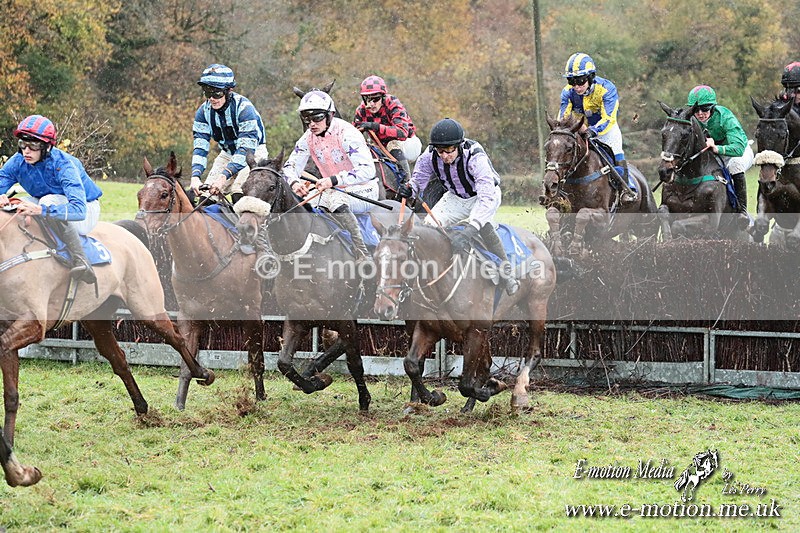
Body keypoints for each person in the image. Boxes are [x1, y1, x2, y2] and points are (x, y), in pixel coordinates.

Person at [397, 118, 519, 295]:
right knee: (427, 227)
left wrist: (470, 229)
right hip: (455, 197)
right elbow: (418, 180)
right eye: (441, 152)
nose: (445, 156)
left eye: (449, 151)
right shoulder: (429, 155)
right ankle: (427, 273)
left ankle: (507, 274)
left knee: (482, 226)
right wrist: (410, 189)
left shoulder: (476, 157)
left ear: (459, 146)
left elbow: (486, 198)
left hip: (484, 196)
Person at [0, 114, 103, 283]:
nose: (26, 151)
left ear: (46, 147)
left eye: (33, 145)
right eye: (23, 144)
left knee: (47, 201)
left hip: (85, 208)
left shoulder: (64, 165)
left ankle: (81, 260)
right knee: (15, 205)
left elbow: (79, 210)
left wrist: (41, 210)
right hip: (48, 201)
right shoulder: (18, 161)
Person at [282, 90, 378, 264]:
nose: (311, 124)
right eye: (306, 119)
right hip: (332, 189)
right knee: (304, 204)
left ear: (330, 115)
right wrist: (295, 183)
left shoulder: (348, 134)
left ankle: (362, 253)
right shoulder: (308, 138)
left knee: (336, 200)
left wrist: (334, 180)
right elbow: (289, 166)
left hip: (364, 189)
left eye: (317, 118)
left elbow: (367, 170)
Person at [558, 52, 637, 206]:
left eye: (580, 80)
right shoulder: (568, 92)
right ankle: (555, 190)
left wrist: (593, 130)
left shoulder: (606, 89)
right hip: (580, 128)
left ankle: (627, 189)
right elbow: (564, 117)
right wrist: (575, 129)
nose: (576, 86)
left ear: (590, 77)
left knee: (615, 152)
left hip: (606, 130)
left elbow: (609, 118)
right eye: (572, 81)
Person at [191, 63, 268, 204]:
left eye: (217, 93)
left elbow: (246, 150)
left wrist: (223, 177)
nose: (212, 99)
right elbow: (200, 148)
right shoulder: (202, 112)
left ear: (229, 91)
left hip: (254, 153)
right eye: (208, 93)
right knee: (205, 199)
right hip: (227, 154)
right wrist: (195, 176)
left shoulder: (245, 109)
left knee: (238, 191)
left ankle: (244, 225)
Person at [686, 85, 754, 221]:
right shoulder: (691, 120)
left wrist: (718, 148)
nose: (700, 113)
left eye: (704, 109)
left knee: (735, 166)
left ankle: (742, 211)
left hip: (738, 152)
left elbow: (738, 149)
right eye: (695, 110)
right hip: (713, 155)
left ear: (712, 107)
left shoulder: (725, 117)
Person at [353, 75, 421, 181]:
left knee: (392, 144)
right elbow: (352, 136)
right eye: (367, 99)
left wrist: (375, 126)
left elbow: (402, 133)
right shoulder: (361, 110)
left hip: (408, 143)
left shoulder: (393, 104)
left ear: (383, 96)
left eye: (375, 99)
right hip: (382, 147)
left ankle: (408, 185)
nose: (371, 104)